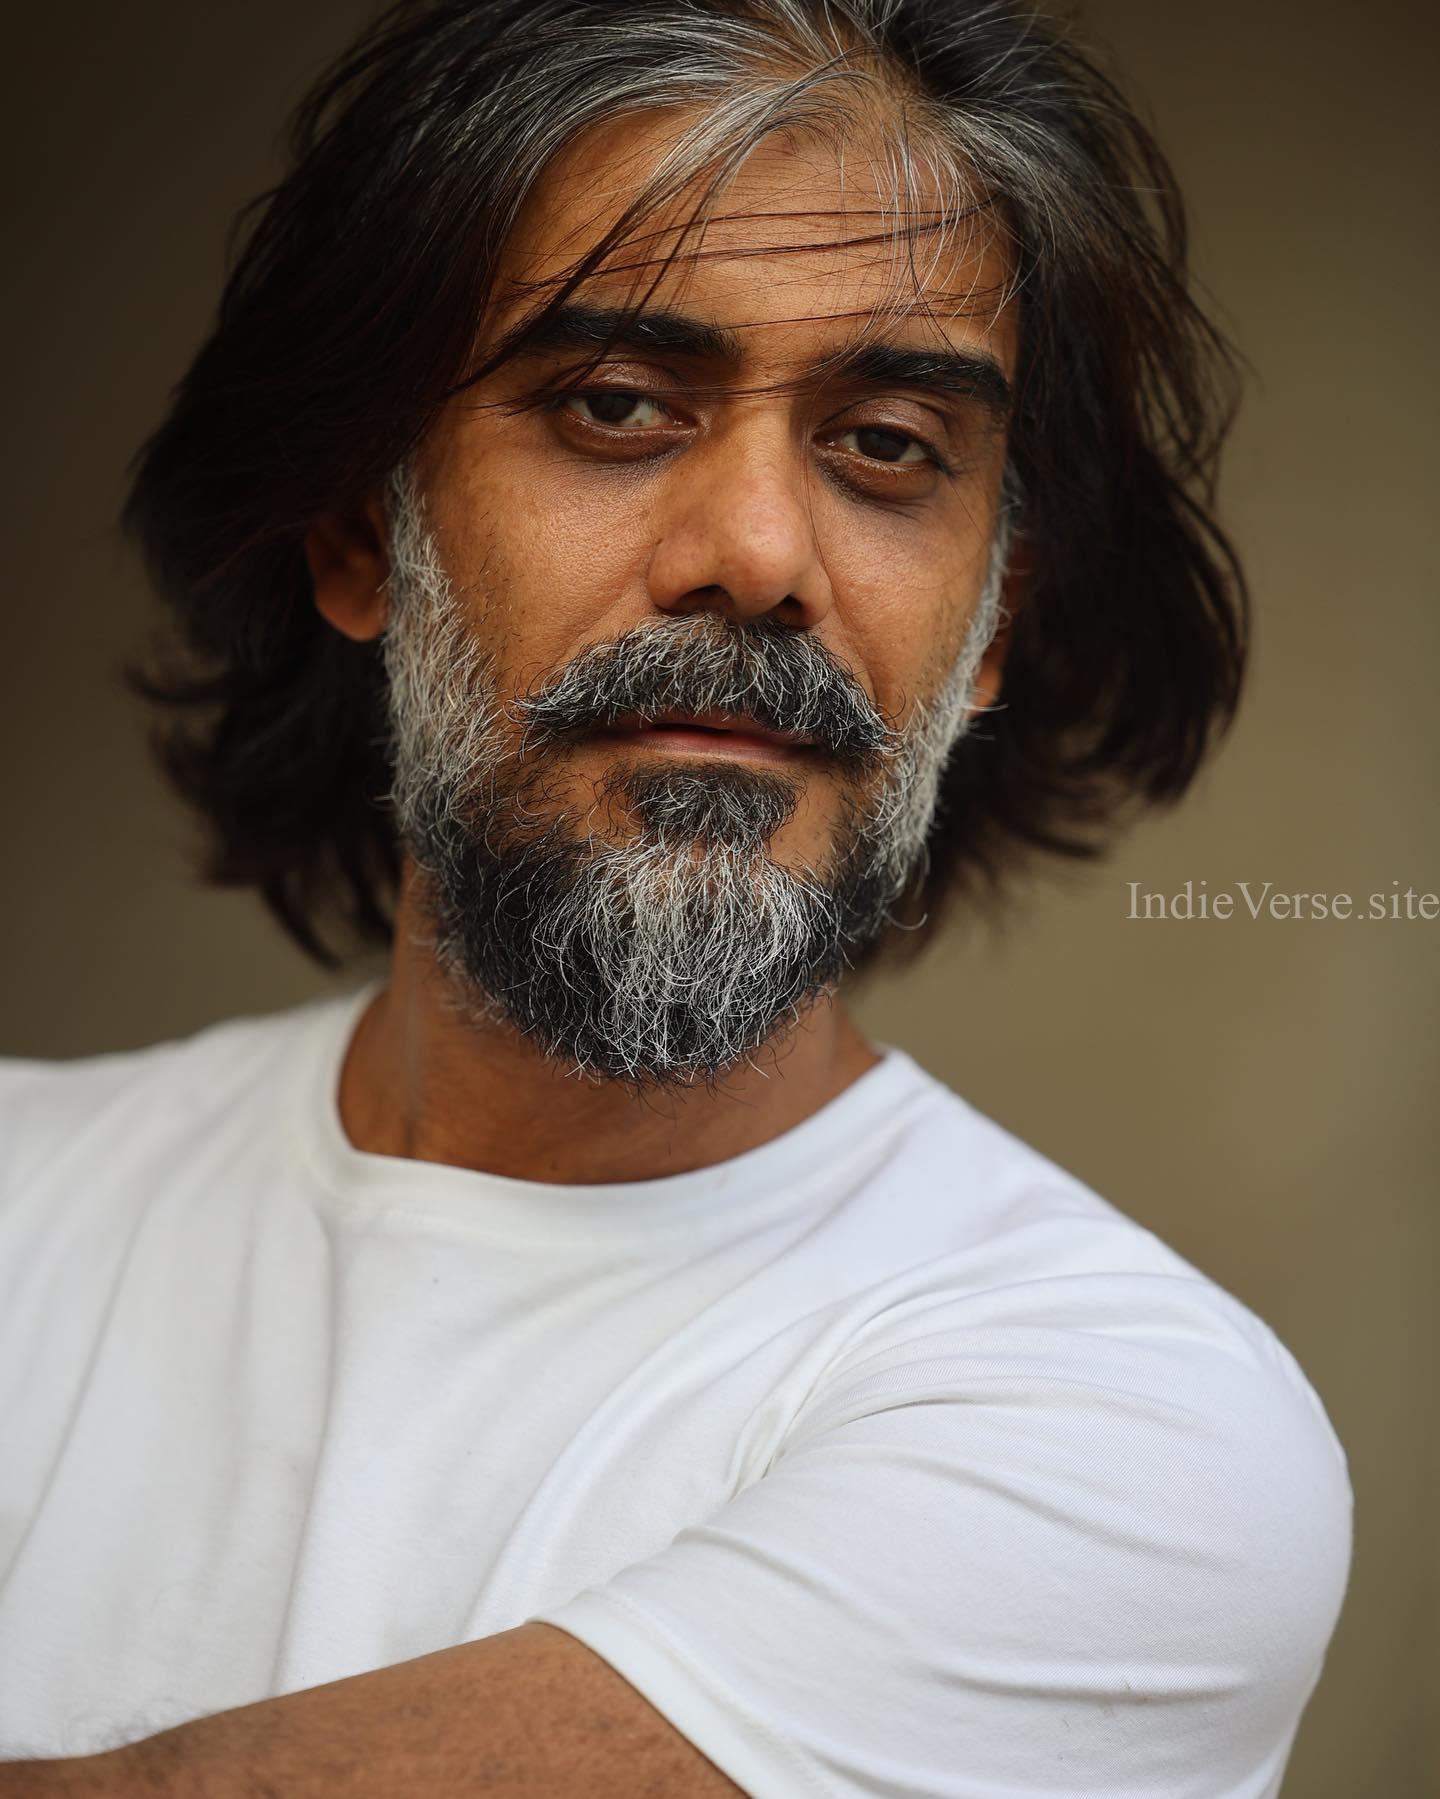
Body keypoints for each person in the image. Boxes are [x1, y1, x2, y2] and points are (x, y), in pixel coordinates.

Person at [0, 1, 1352, 1793]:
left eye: (889, 443)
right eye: (617, 406)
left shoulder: (1143, 1438)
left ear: (990, 627)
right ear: (361, 534)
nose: (762, 557)